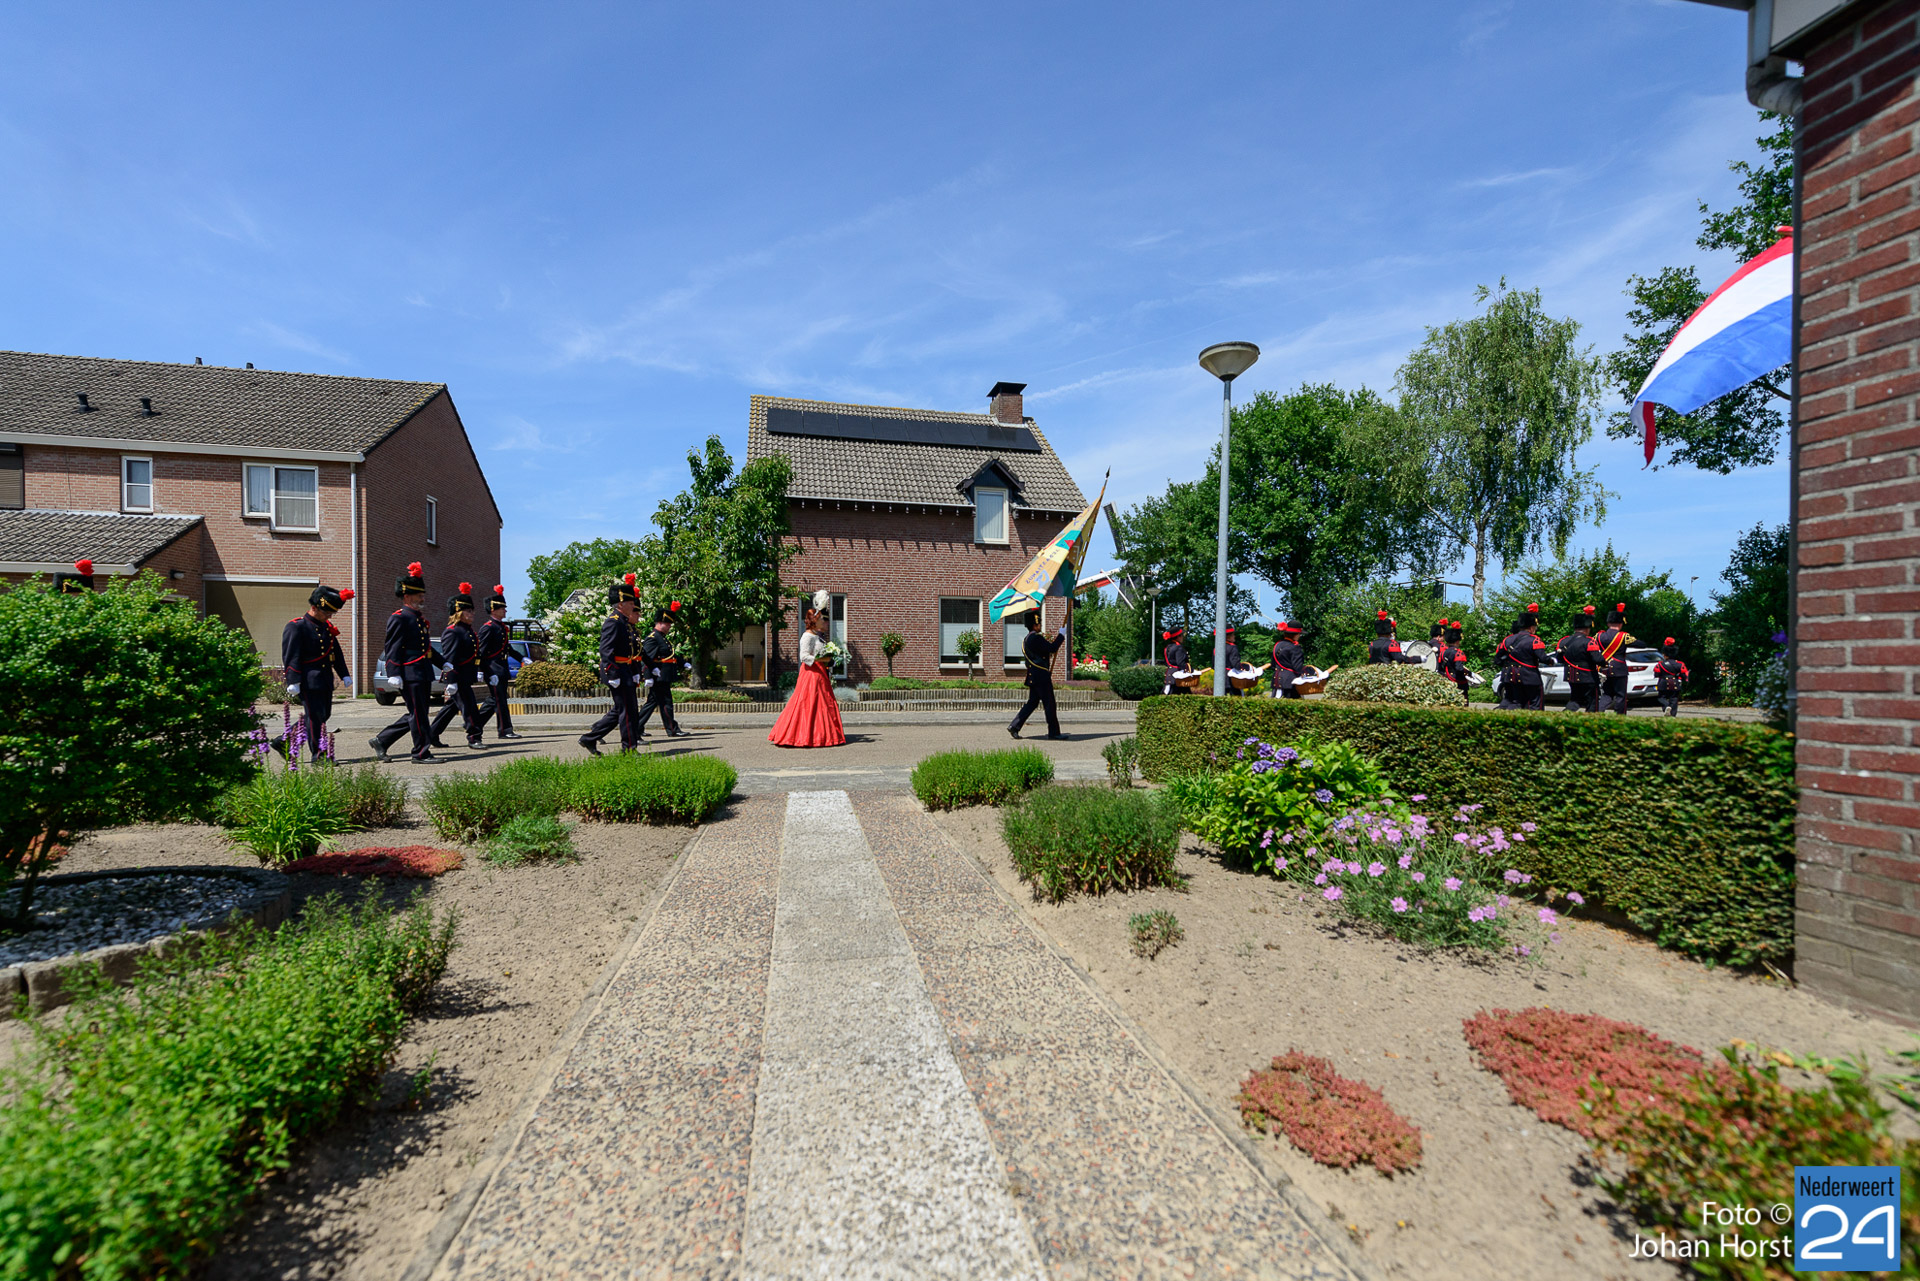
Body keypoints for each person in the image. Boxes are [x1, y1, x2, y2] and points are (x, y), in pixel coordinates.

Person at [275, 585, 353, 760]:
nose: (329, 616)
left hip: (324, 679)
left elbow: (335, 652)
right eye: (326, 612)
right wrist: (293, 680)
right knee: (315, 718)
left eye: (332, 613)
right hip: (307, 681)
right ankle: (319, 755)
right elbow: (291, 655)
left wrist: (344, 674)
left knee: (323, 715)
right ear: (314, 607)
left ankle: (284, 741)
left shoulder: (326, 627)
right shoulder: (297, 626)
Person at [370, 562, 437, 763]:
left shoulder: (417, 619)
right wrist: (393, 673)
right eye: (418, 595)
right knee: (418, 715)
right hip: (410, 673)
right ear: (407, 596)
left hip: (422, 671)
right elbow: (392, 647)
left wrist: (444, 663)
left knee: (418, 713)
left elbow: (426, 648)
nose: (422, 598)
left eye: (422, 594)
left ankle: (382, 740)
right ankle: (420, 753)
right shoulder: (399, 618)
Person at [769, 590, 847, 747]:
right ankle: (800, 735)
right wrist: (822, 659)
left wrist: (830, 661)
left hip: (820, 674)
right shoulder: (807, 636)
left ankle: (821, 735)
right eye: (822, 619)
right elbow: (803, 657)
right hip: (810, 675)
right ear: (814, 621)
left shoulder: (817, 636)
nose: (824, 621)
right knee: (807, 704)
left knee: (822, 705)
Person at [580, 575, 644, 755]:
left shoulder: (623, 622)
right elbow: (606, 650)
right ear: (621, 604)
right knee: (627, 711)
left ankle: (589, 739)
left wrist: (634, 671)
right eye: (630, 603)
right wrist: (613, 674)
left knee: (623, 710)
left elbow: (629, 650)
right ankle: (629, 750)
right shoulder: (613, 621)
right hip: (617, 671)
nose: (633, 605)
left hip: (625, 670)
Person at [428, 583, 493, 749]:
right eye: (468, 610)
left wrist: (479, 670)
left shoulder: (468, 631)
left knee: (450, 708)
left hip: (465, 676)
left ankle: (431, 734)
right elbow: (450, 658)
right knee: (470, 708)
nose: (472, 613)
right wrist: (451, 680)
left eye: (472, 610)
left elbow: (475, 654)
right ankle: (474, 737)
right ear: (459, 613)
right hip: (457, 677)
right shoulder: (453, 631)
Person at [1009, 609, 1067, 738]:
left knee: (1032, 702)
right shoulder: (1036, 638)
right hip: (1041, 677)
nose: (1040, 625)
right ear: (1035, 625)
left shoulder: (1027, 639)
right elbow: (1052, 648)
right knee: (1049, 703)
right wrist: (1061, 635)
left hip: (1034, 676)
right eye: (1039, 623)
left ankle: (1014, 726)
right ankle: (1054, 733)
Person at [635, 602, 690, 739]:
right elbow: (647, 659)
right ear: (660, 623)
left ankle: (636, 727)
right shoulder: (653, 638)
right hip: (658, 676)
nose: (669, 627)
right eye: (668, 624)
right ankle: (672, 729)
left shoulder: (661, 638)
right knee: (666, 703)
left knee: (651, 703)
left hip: (663, 676)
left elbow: (670, 655)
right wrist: (648, 676)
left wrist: (683, 663)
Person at [478, 585, 523, 740]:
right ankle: (505, 730)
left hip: (501, 668)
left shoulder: (500, 627)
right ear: (493, 610)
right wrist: (481, 670)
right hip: (492, 669)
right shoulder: (488, 628)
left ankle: (474, 724)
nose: (505, 611)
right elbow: (481, 651)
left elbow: (507, 648)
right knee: (500, 700)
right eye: (502, 608)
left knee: (495, 699)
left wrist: (522, 658)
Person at [1556, 606, 1603, 714]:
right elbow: (1597, 659)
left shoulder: (1564, 641)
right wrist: (1605, 663)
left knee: (1575, 700)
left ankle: (1564, 716)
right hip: (1588, 676)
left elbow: (1559, 659)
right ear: (1587, 628)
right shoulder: (1590, 641)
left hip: (1571, 676)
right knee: (1592, 702)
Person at [1501, 606, 1548, 711]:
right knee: (1535, 704)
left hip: (1511, 675)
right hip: (1530, 675)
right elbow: (1542, 657)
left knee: (1517, 702)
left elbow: (1498, 659)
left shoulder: (1507, 640)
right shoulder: (1535, 640)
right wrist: (1550, 661)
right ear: (1531, 627)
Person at [1595, 603, 1634, 715]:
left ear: (1608, 623)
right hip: (1619, 669)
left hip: (1604, 668)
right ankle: (1620, 716)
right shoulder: (1624, 636)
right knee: (1621, 695)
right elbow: (1641, 644)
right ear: (1621, 624)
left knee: (1607, 694)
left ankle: (1598, 713)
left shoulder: (1599, 636)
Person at [1654, 638, 1689, 717]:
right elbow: (1684, 675)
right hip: (1675, 682)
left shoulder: (1660, 664)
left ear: (1665, 654)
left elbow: (1656, 674)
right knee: (1674, 698)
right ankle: (1672, 714)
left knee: (1661, 697)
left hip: (1663, 682)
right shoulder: (1680, 664)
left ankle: (1666, 706)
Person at [1440, 621, 1473, 706]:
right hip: (1459, 682)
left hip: (1447, 680)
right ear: (1457, 641)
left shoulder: (1443, 652)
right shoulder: (1458, 652)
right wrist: (1468, 673)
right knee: (1463, 704)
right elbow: (1459, 668)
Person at [1271, 621, 1306, 699]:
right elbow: (1298, 667)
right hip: (1290, 681)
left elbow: (1273, 665)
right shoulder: (1295, 647)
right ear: (1295, 635)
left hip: (1276, 679)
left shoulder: (1277, 644)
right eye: (1299, 634)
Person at [1161, 628, 1190, 694]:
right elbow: (1180, 663)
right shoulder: (1178, 647)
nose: (1182, 637)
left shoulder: (1168, 647)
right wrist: (1191, 670)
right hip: (1178, 678)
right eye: (1181, 635)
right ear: (1178, 637)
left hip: (1169, 676)